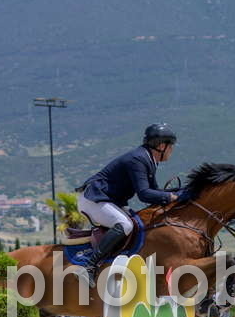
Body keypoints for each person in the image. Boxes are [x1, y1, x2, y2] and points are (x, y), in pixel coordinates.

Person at [75, 123, 181, 286]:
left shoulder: (149, 159)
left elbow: (154, 191)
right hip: (94, 199)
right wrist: (170, 197)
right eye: (170, 146)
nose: (171, 150)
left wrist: (180, 193)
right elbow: (144, 194)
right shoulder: (138, 159)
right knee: (125, 224)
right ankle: (89, 266)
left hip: (110, 200)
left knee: (139, 222)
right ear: (161, 146)